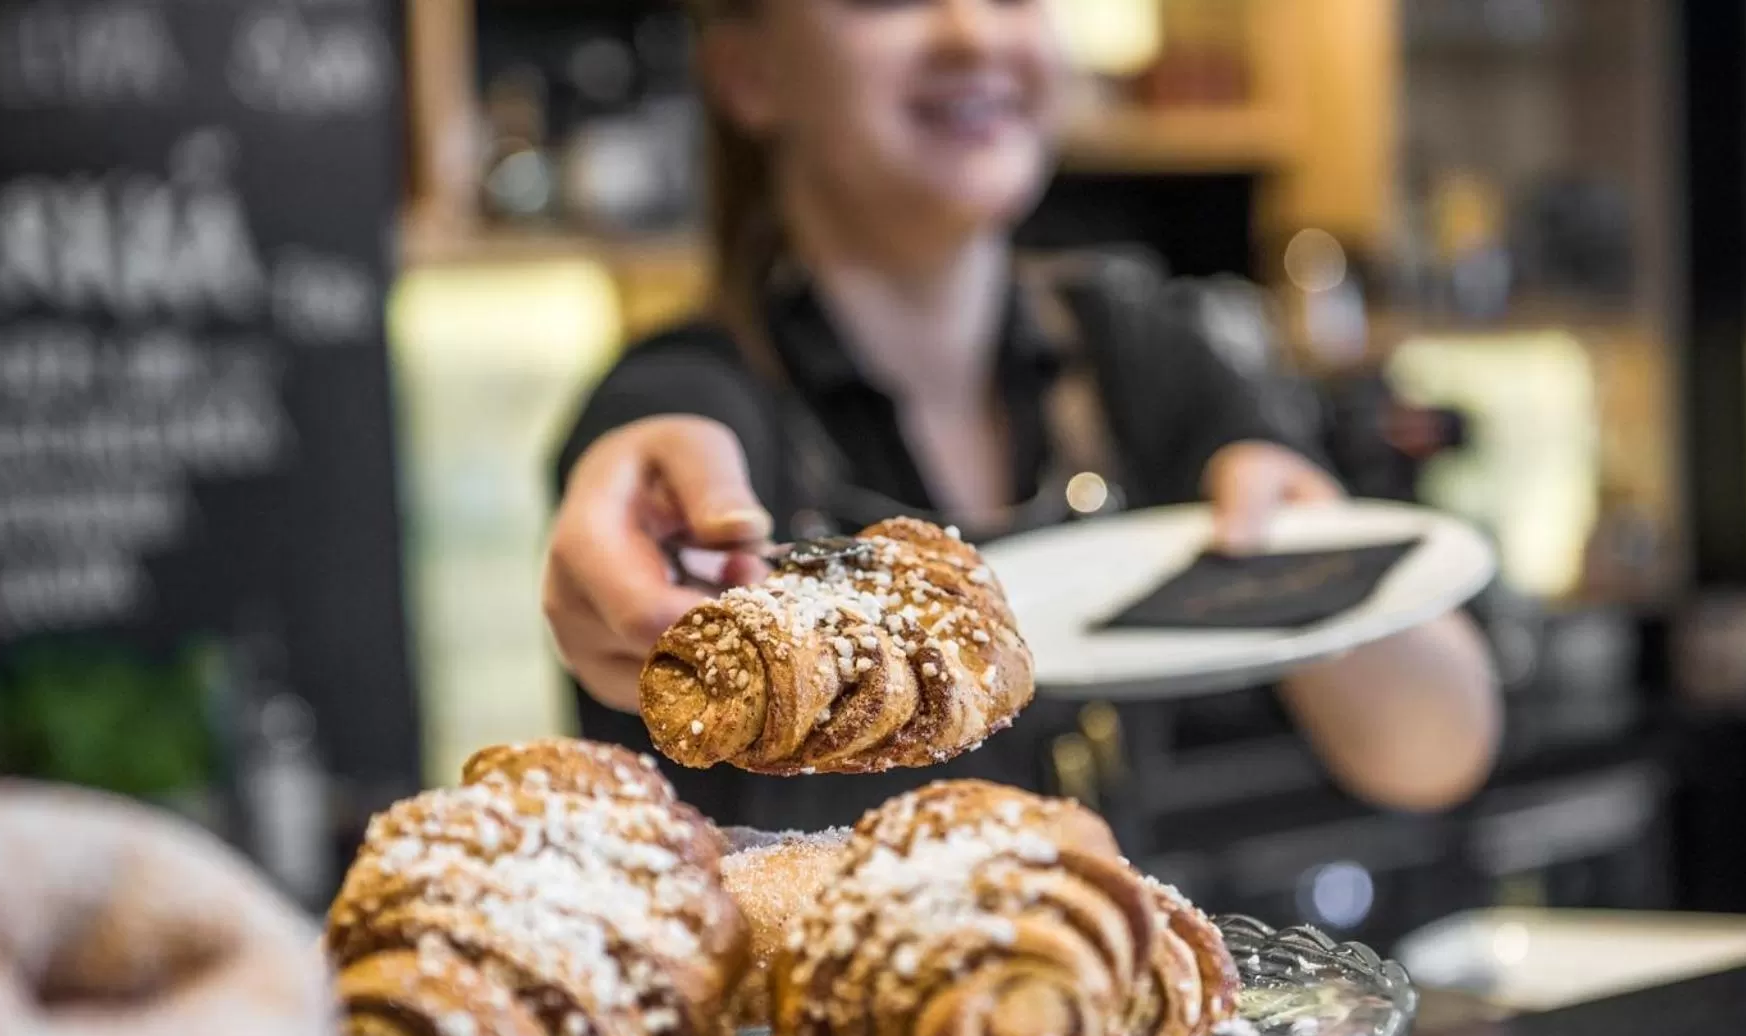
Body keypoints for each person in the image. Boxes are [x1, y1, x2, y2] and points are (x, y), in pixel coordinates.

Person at [546, 0, 1500, 832]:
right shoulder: (691, 393)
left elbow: (1433, 752)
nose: (972, 30)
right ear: (750, 75)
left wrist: (1307, 557)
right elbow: (666, 430)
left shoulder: (1143, 349)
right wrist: (645, 479)